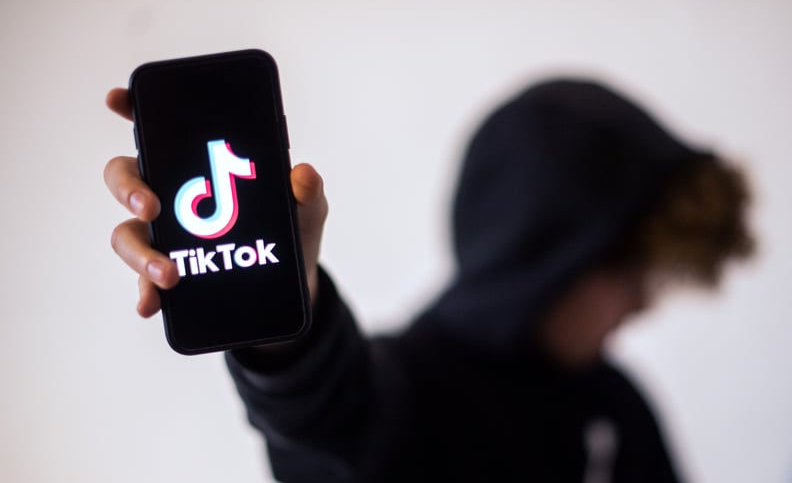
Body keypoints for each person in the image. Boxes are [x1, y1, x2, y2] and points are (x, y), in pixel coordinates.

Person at [105, 78, 754, 482]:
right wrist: (282, 316)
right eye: (625, 270)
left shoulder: (616, 405)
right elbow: (328, 421)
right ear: (542, 256)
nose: (641, 303)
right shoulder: (407, 392)